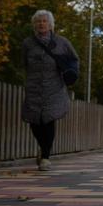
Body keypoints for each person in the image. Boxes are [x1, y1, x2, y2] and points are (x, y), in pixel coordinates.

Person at [21, 10, 79, 171]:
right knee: (34, 121)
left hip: (54, 86)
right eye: (38, 21)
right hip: (33, 86)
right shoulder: (28, 43)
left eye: (44, 21)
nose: (41, 24)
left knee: (48, 119)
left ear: (51, 24)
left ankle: (45, 157)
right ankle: (43, 147)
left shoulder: (62, 42)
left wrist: (72, 73)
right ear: (34, 25)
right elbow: (25, 63)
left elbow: (74, 59)